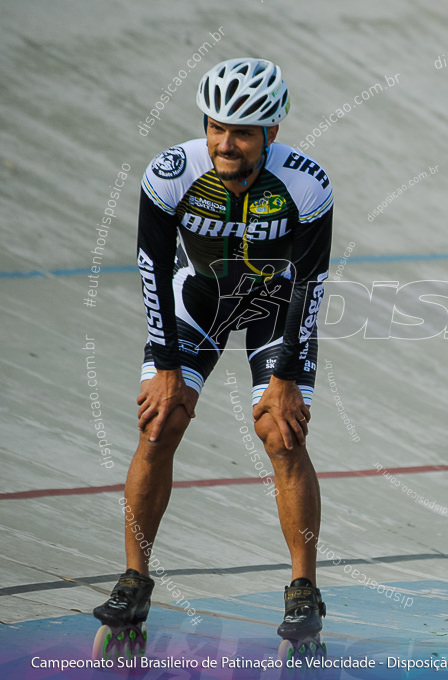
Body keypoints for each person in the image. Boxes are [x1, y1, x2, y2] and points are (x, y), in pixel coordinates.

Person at [93, 58, 333, 647]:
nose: (226, 142)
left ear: (271, 133)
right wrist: (167, 367)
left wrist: (286, 375)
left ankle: (304, 588)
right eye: (216, 126)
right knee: (159, 423)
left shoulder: (306, 182)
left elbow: (309, 283)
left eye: (243, 131)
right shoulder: (171, 173)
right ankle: (134, 578)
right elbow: (151, 265)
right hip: (194, 295)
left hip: (274, 302)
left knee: (283, 431)